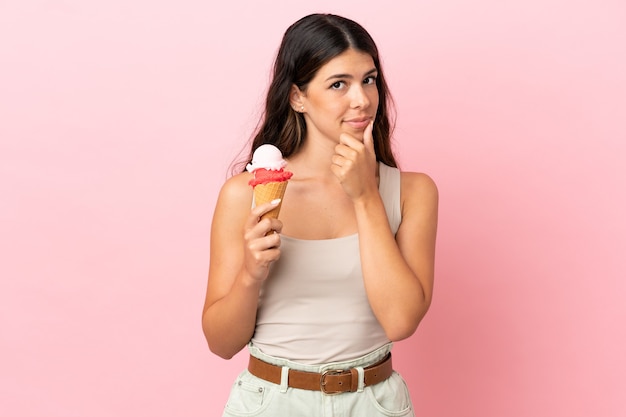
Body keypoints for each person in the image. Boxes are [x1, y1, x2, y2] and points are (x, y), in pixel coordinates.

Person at [202, 13, 438, 417]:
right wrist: (250, 274)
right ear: (297, 97)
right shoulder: (245, 195)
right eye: (338, 84)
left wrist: (365, 198)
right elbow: (221, 344)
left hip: (373, 403)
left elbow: (401, 321)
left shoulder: (413, 192)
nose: (362, 99)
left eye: (369, 79)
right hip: (271, 403)